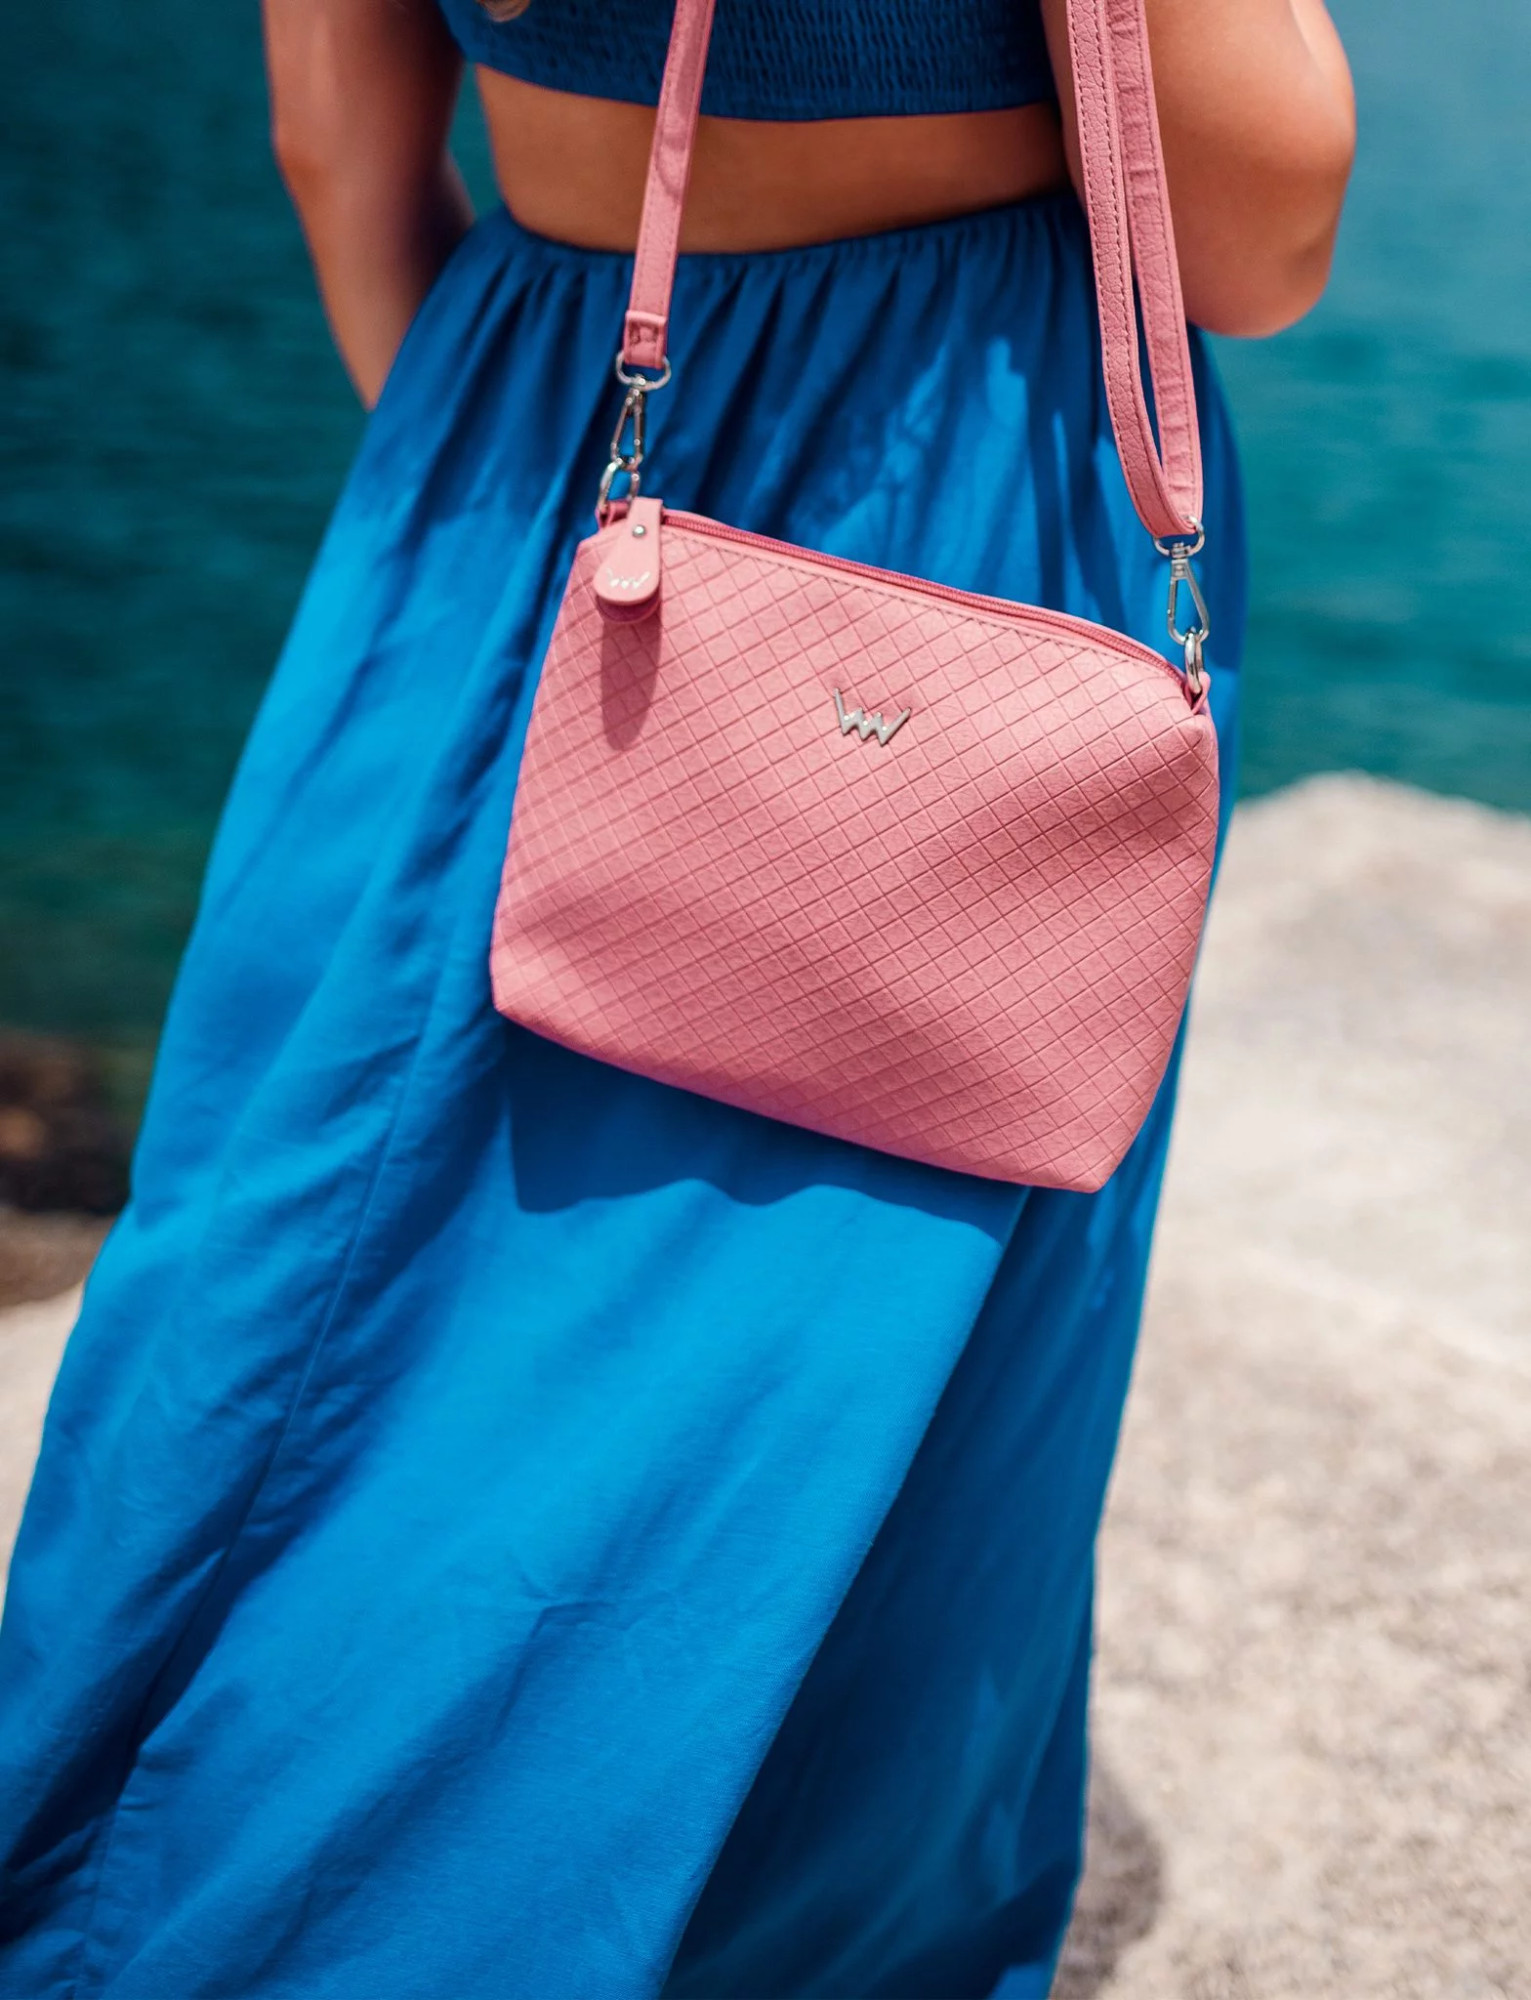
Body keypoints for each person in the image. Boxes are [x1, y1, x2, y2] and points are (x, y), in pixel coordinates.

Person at [0, 1, 1353, 1992]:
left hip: (532, 470)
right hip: (955, 520)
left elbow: (336, 142)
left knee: (326, 1298)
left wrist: (520, 538)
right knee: (857, 1361)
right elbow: (1258, 228)